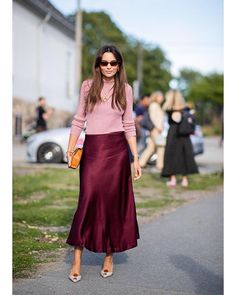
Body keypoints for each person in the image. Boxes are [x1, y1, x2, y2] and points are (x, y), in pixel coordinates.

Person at [66, 45, 142, 283]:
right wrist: (70, 149)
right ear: (98, 64)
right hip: (93, 150)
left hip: (117, 152)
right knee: (87, 199)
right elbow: (79, 119)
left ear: (119, 65)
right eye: (104, 63)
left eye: (113, 63)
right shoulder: (88, 86)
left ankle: (109, 256)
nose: (109, 67)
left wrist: (135, 157)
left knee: (112, 204)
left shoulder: (126, 90)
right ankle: (76, 258)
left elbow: (129, 124)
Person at [161, 89, 198, 187]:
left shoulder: (169, 110)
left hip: (173, 134)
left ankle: (172, 180)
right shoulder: (185, 109)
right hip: (184, 136)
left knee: (171, 156)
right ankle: (184, 180)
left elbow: (173, 118)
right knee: (184, 155)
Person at [139, 91, 166, 171]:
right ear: (156, 97)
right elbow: (153, 117)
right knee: (161, 146)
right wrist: (159, 127)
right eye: (160, 97)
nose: (162, 98)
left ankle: (141, 163)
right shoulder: (154, 105)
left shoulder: (156, 105)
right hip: (156, 129)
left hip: (155, 129)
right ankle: (160, 165)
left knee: (151, 147)